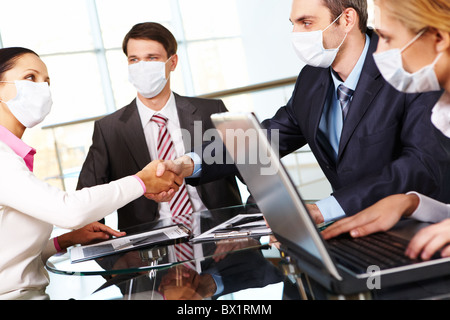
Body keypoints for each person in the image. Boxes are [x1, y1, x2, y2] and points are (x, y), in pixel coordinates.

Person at [157, 0, 450, 226]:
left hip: (415, 228)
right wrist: (190, 163)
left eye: (306, 22)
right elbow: (270, 136)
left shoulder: (408, 66)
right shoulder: (312, 78)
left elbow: (420, 165)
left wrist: (326, 209)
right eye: (293, 24)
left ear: (347, 19)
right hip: (351, 229)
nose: (296, 34)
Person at [0, 47, 183, 300]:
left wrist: (63, 241)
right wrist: (142, 182)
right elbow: (69, 210)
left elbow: (8, 258)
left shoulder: (12, 155)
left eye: (47, 81)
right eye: (31, 78)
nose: (43, 88)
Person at [76, 22, 243, 230]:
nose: (141, 66)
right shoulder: (109, 130)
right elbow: (86, 200)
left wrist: (251, 221)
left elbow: (254, 170)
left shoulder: (210, 111)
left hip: (223, 240)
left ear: (172, 62)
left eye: (152, 58)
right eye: (134, 60)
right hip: (149, 250)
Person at [322, 0, 450, 262]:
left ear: (438, 38)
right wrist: (409, 203)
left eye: (387, 38)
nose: (379, 52)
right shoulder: (442, 111)